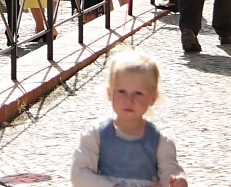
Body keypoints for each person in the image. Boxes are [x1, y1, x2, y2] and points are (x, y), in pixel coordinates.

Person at [70, 48, 188, 187]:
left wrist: (176, 180)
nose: (129, 100)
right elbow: (79, 174)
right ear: (109, 93)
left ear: (152, 98)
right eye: (122, 91)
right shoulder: (96, 135)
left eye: (138, 93)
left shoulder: (160, 141)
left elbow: (170, 170)